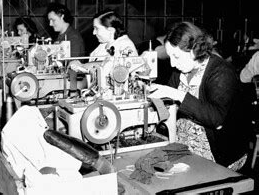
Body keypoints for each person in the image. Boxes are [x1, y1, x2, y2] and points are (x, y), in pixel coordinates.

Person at [148, 21, 251, 171]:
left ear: (194, 50)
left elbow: (216, 119)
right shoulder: (180, 72)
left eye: (176, 56)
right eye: (170, 57)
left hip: (217, 151)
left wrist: (177, 95)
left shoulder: (221, 72)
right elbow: (168, 107)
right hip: (184, 144)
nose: (171, 64)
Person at [70, 9, 138, 72]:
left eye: (97, 28)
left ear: (111, 30)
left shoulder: (125, 45)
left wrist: (83, 66)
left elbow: (111, 65)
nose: (94, 32)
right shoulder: (104, 44)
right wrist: (79, 66)